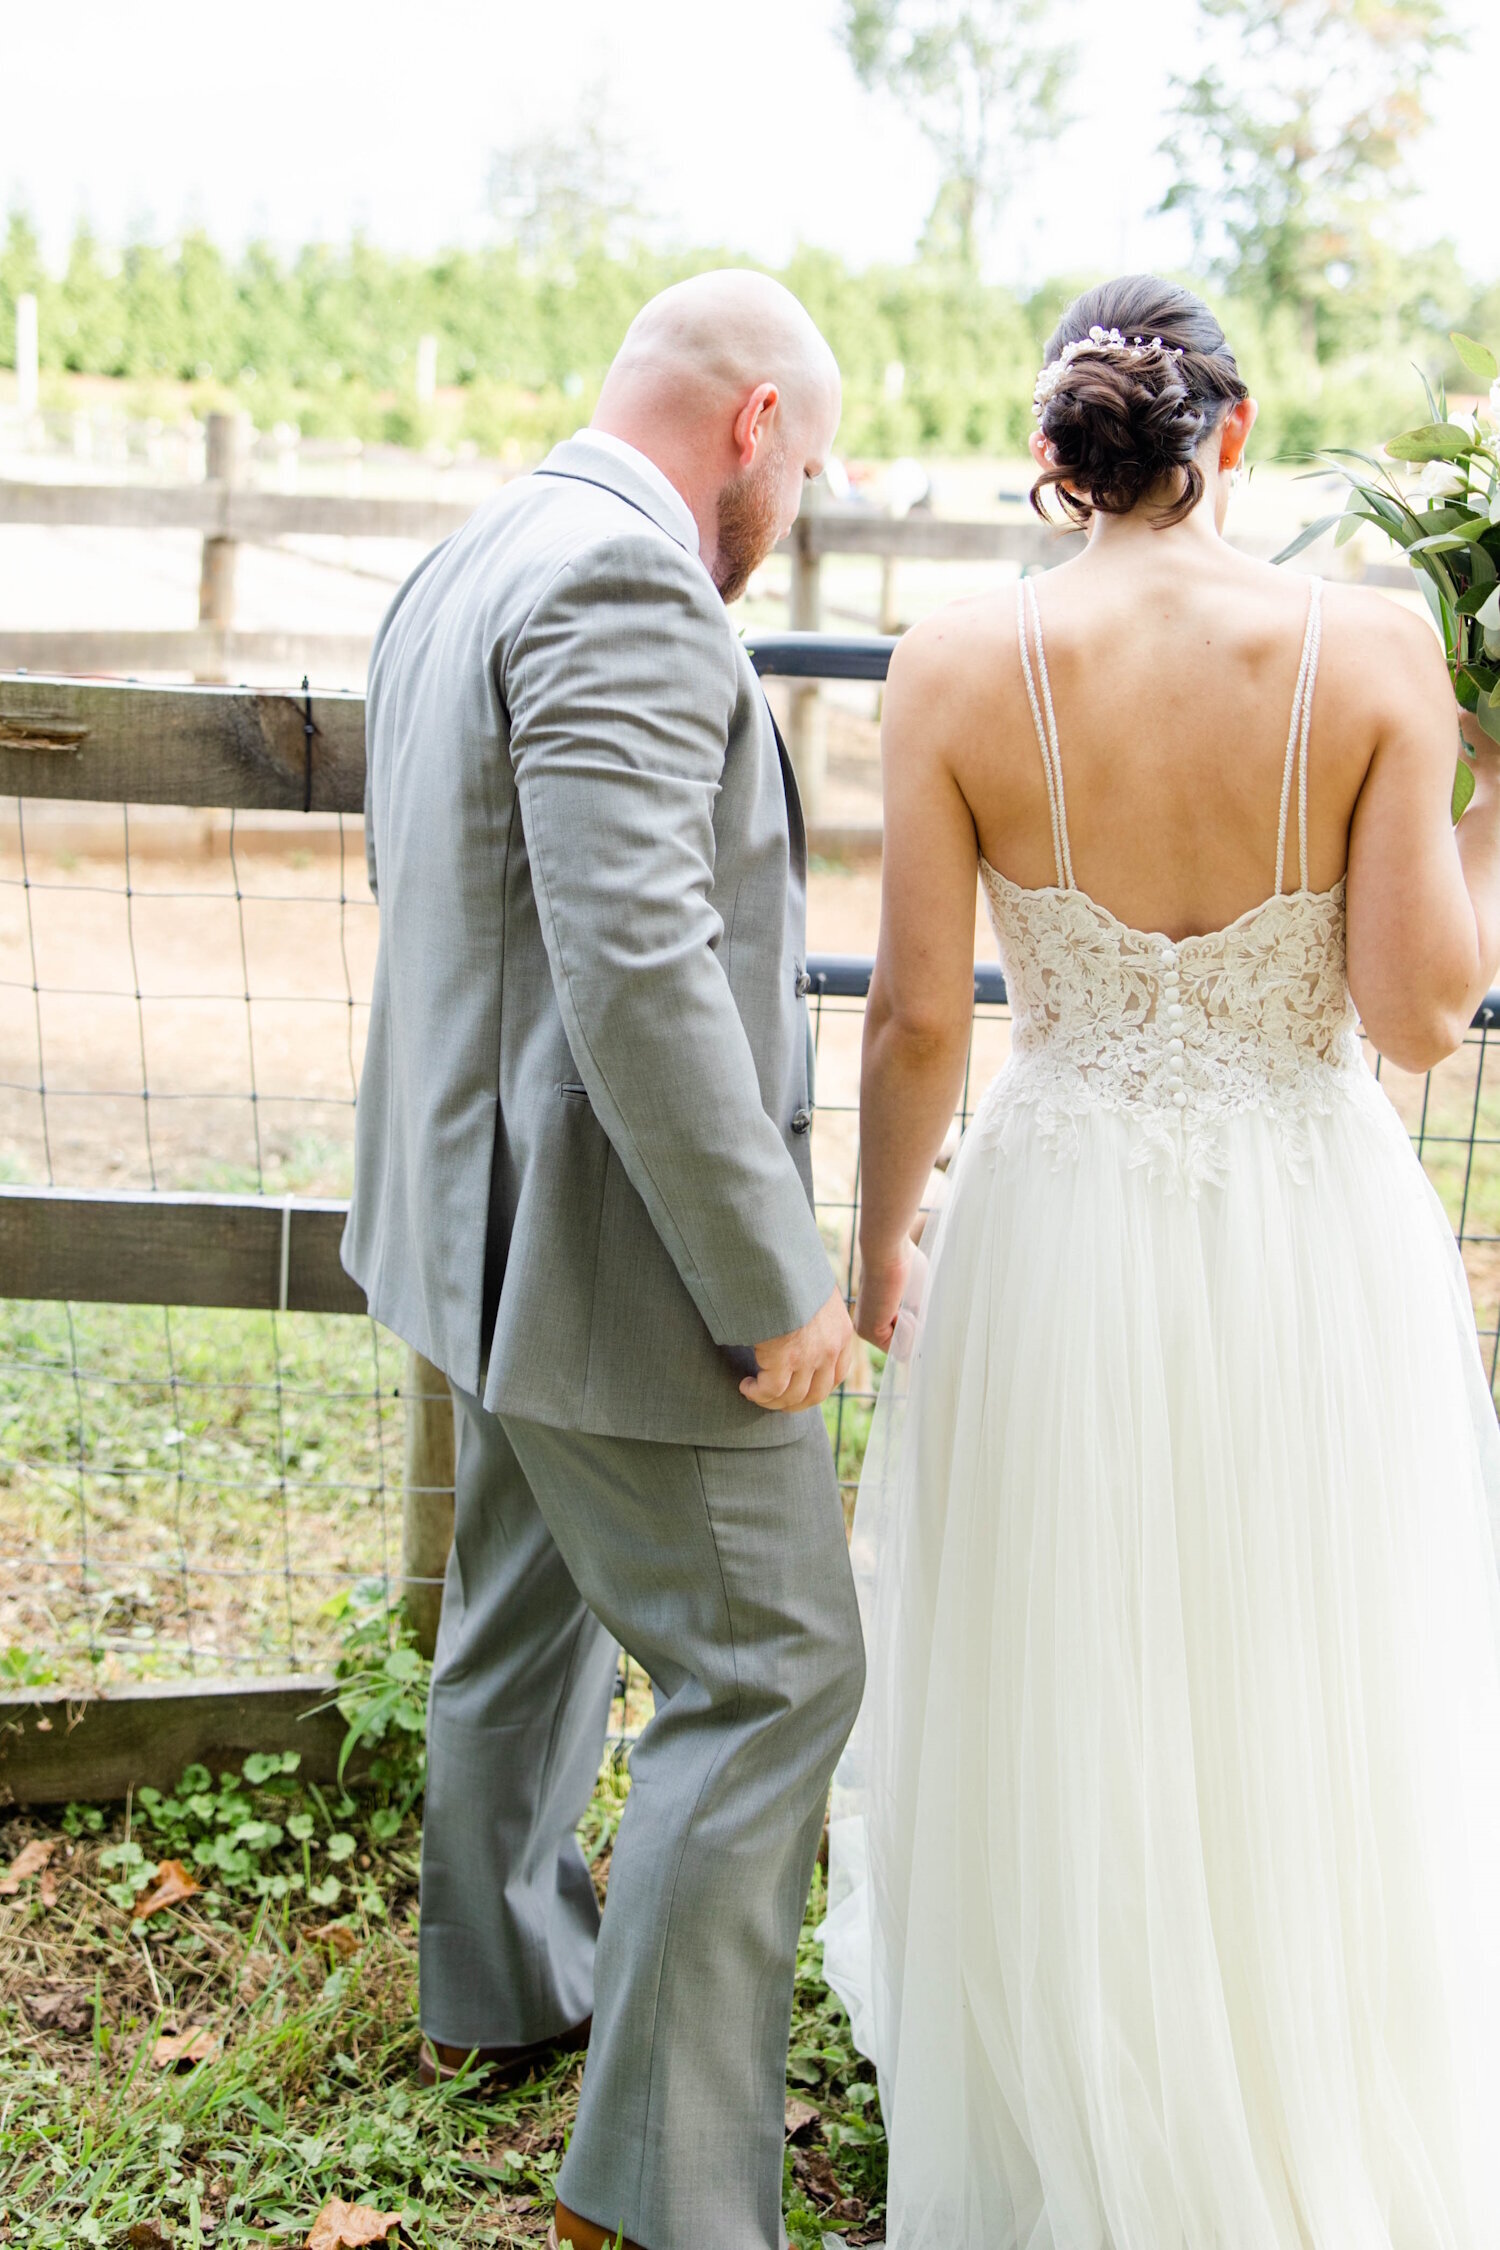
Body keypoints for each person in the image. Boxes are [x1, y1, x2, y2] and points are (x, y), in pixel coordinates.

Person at [823, 275, 1500, 2245]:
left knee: (1074, 1650)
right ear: (1242, 427)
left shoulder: (957, 665)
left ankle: (1077, 2125)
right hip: (1311, 1222)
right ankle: (1310, 2103)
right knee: (1311, 1646)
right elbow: (1417, 1015)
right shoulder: (1378, 651)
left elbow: (914, 1027)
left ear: (1058, 461)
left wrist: (880, 1249)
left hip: (1067, 1217)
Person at [342, 269, 863, 2250]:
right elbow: (643, 971)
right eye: (803, 466)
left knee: (524, 1599)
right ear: (750, 429)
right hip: (609, 1257)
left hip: (471, 1232)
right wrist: (772, 1281)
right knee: (778, 1669)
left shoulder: (473, 550)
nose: (795, 506)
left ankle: (499, 1986)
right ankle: (657, 2187)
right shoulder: (630, 589)